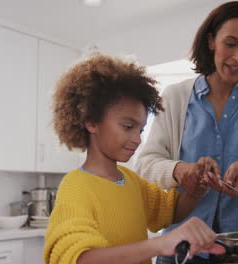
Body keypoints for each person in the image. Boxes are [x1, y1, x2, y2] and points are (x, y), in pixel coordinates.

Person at [134, 2, 238, 263]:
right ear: (211, 41)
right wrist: (180, 170)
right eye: (231, 44)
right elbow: (145, 165)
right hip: (178, 250)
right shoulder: (175, 97)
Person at [43, 53, 225, 264]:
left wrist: (195, 189)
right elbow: (81, 258)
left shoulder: (131, 181)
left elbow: (170, 212)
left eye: (141, 129)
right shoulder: (76, 187)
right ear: (91, 122)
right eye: (128, 127)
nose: (137, 139)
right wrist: (161, 244)